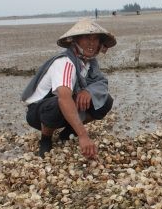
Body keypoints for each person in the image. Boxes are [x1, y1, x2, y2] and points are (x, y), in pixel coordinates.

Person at [21, 19, 116, 158]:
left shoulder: (89, 62)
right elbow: (64, 99)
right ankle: (46, 139)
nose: (92, 43)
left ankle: (68, 132)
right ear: (75, 41)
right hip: (39, 112)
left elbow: (101, 82)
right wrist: (83, 136)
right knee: (59, 103)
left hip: (64, 105)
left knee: (105, 101)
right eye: (87, 38)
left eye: (95, 39)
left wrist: (89, 91)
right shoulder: (65, 63)